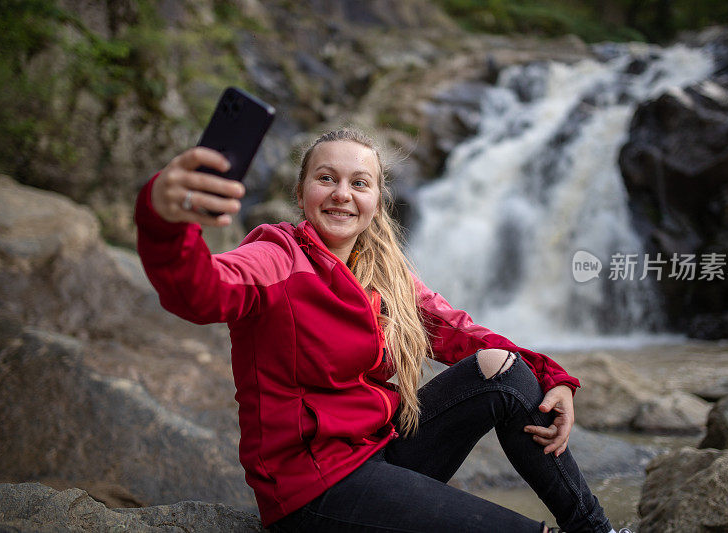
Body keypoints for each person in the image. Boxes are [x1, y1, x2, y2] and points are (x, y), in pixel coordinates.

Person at [135, 128, 628, 533]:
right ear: (302, 191)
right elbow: (201, 292)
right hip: (316, 487)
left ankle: (595, 528)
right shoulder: (275, 257)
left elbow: (459, 331)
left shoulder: (383, 273)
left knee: (504, 370)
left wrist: (553, 376)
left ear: (376, 198)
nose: (342, 194)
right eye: (326, 178)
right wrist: (164, 218)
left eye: (360, 182)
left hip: (380, 453)